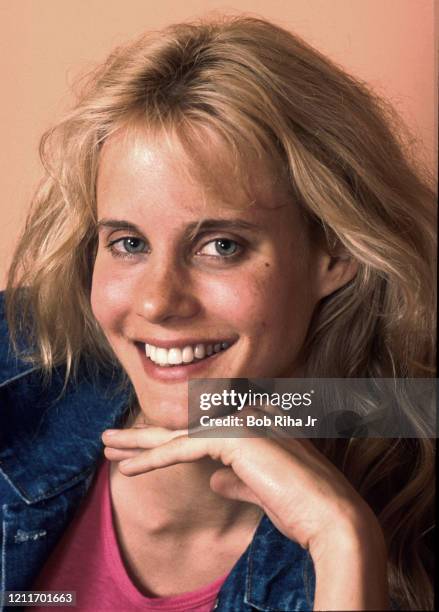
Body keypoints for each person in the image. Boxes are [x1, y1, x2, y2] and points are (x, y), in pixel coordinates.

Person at [0, 15, 435, 612]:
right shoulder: (18, 363)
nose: (157, 302)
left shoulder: (410, 477)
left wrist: (341, 538)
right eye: (128, 243)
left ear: (334, 250)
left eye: (221, 246)